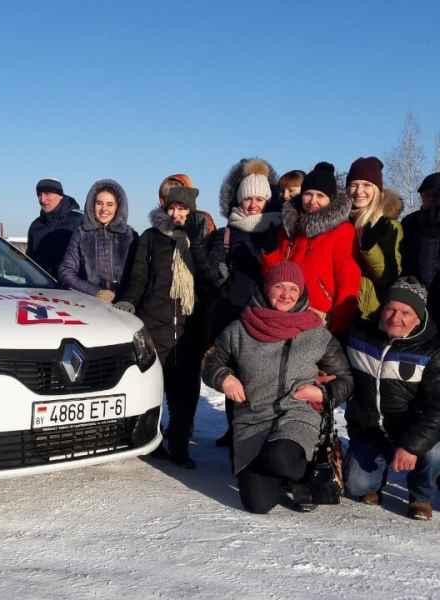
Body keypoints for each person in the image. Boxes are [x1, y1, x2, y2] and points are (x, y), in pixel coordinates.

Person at [202, 261, 353, 514]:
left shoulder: (316, 332)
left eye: (293, 288)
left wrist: (323, 393)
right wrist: (224, 377)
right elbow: (211, 361)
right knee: (257, 505)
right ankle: (274, 474)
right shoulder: (240, 328)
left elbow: (345, 378)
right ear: (266, 288)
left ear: (302, 292)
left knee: (282, 459)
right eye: (279, 286)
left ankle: (300, 477)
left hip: (298, 415)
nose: (286, 294)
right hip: (253, 418)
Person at [116, 186, 201, 468]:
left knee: (186, 393)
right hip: (155, 323)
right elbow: (139, 275)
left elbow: (208, 281)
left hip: (188, 329)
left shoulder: (198, 240)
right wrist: (128, 301)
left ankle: (179, 446)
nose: (177, 213)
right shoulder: (151, 238)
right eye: (173, 207)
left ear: (191, 211)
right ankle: (151, 441)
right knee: (153, 389)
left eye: (183, 208)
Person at [344, 277, 440, 520]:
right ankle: (373, 481)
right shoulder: (359, 335)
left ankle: (421, 496)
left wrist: (411, 446)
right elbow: (335, 362)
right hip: (369, 430)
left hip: (411, 430)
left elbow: (437, 408)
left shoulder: (432, 349)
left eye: (406, 312)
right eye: (391, 308)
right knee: (356, 486)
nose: (396, 317)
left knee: (433, 451)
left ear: (419, 316)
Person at [208, 158, 281, 446]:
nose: (253, 205)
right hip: (234, 311)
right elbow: (213, 266)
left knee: (262, 377)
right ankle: (234, 427)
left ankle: (262, 432)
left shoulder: (277, 230)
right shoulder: (228, 231)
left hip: (267, 312)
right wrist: (221, 276)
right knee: (235, 374)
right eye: (248, 198)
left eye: (259, 198)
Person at [262, 162, 361, 335]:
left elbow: (348, 280)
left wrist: (337, 323)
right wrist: (270, 253)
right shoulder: (289, 227)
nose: (313, 201)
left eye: (320, 195)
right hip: (286, 312)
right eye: (308, 194)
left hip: (319, 317)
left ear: (330, 198)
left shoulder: (342, 230)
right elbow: (277, 274)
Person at [58, 179, 137, 302]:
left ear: (118, 207)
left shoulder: (130, 236)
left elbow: (138, 276)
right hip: (90, 304)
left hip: (123, 306)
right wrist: (96, 292)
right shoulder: (81, 233)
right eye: (99, 203)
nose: (104, 209)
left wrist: (126, 298)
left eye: (110, 204)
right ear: (92, 204)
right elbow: (66, 272)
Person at [347, 157, 403, 319]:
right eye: (354, 185)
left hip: (368, 310)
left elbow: (389, 278)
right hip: (336, 308)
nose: (359, 191)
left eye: (366, 185)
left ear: (377, 189)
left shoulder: (389, 226)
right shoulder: (339, 222)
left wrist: (370, 249)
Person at [26, 178, 83, 278]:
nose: (43, 200)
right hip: (42, 289)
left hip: (73, 289)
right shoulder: (35, 226)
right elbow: (30, 264)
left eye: (47, 193)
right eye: (39, 195)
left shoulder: (79, 221)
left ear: (60, 195)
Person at [402, 177, 440, 324]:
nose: (431, 199)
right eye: (426, 195)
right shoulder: (410, 221)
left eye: (436, 195)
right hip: (414, 293)